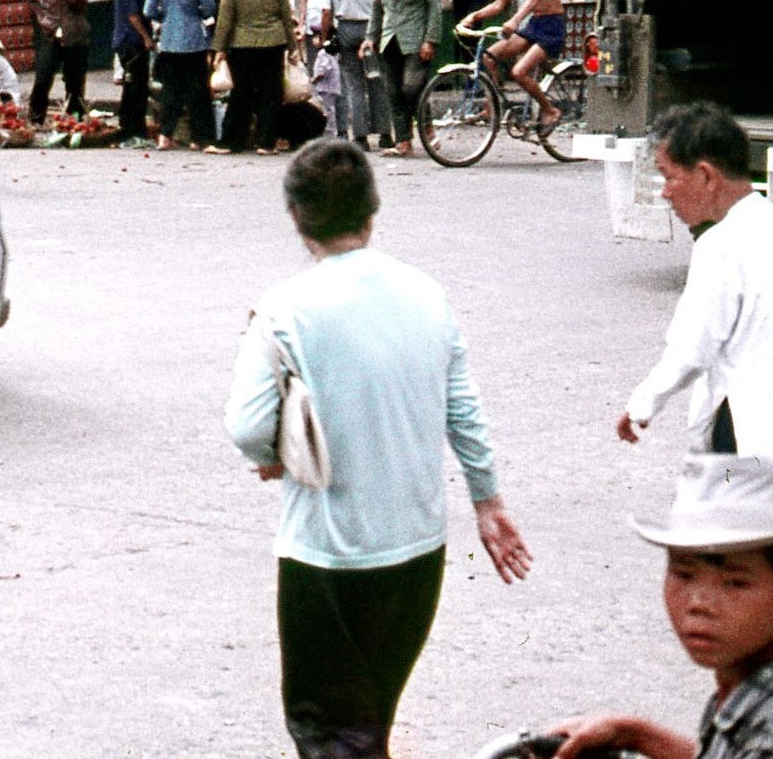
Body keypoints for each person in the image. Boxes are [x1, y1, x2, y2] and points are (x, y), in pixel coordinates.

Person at [225, 140, 531, 759]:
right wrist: (488, 503)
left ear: (296, 216)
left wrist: (274, 457)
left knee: (330, 733)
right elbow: (464, 409)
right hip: (417, 553)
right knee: (371, 723)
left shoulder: (284, 307)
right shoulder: (426, 292)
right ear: (372, 208)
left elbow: (248, 426)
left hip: (327, 558)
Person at [548, 454, 773, 759]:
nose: (699, 604)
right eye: (684, 574)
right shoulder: (743, 685)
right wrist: (635, 734)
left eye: (735, 583)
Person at [622, 104, 773, 455]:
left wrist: (642, 403)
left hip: (750, 435)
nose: (665, 192)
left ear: (705, 176)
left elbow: (692, 349)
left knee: (727, 491)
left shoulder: (720, 246)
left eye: (669, 177)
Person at [458, 0, 567, 131]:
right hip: (534, 24)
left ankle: (550, 110)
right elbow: (500, 4)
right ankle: (494, 104)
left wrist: (515, 20)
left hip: (552, 25)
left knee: (519, 72)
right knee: (489, 56)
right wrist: (474, 16)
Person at [215, 0, 297, 156]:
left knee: (240, 92)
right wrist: (293, 47)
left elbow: (225, 20)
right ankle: (266, 142)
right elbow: (286, 18)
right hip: (273, 44)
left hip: (242, 44)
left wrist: (219, 49)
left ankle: (232, 141)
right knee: (271, 93)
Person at [367, 0, 442, 158]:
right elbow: (377, 8)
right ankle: (403, 140)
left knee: (412, 87)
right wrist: (371, 37)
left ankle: (426, 125)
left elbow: (434, 7)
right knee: (393, 91)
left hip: (415, 39)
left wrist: (430, 39)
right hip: (389, 39)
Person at [146, 0, 219, 151]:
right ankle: (199, 138)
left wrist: (165, 17)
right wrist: (195, 13)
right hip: (194, 41)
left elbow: (149, 10)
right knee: (198, 90)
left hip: (169, 41)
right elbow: (209, 9)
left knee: (171, 90)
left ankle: (165, 135)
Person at [318, 0, 382, 151]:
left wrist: (324, 38)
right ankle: (384, 133)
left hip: (345, 26)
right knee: (377, 78)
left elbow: (326, 11)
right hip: (372, 26)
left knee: (353, 83)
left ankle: (360, 136)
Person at [25, 0, 93, 124]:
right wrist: (42, 16)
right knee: (43, 76)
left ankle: (74, 119)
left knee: (74, 81)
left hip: (75, 35)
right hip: (51, 34)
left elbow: (80, 4)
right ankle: (36, 118)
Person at [112, 0, 161, 143]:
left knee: (136, 85)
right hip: (130, 40)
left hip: (132, 38)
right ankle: (131, 127)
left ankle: (133, 126)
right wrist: (146, 37)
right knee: (135, 86)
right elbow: (133, 14)